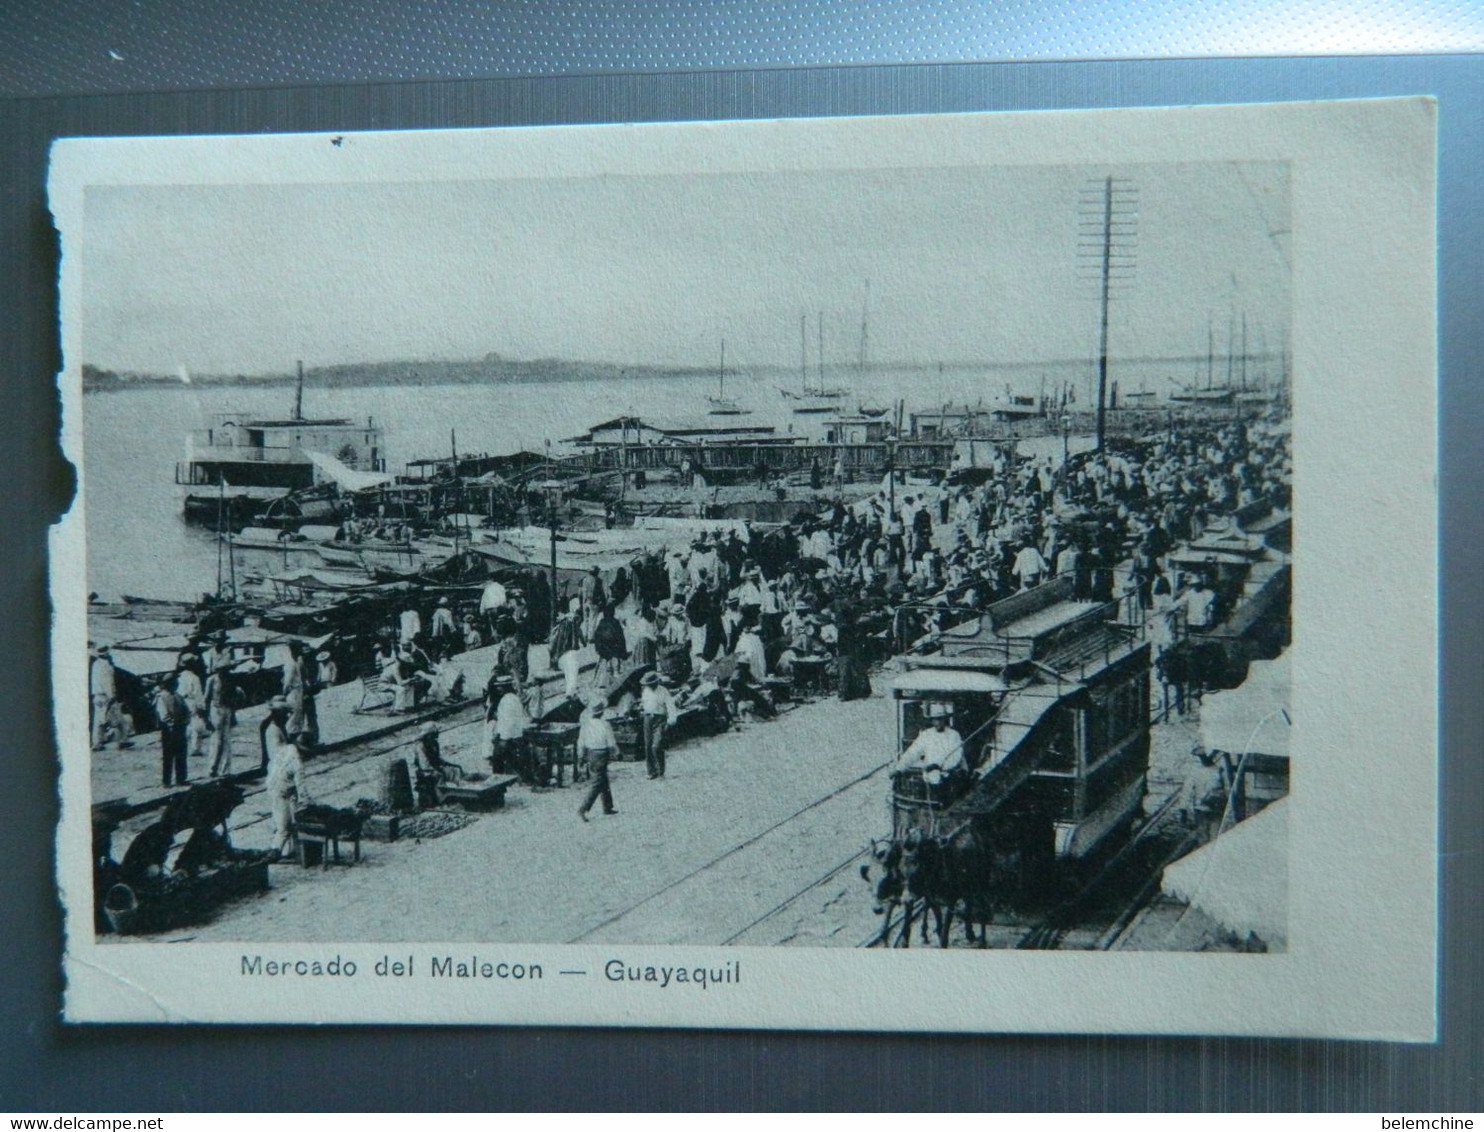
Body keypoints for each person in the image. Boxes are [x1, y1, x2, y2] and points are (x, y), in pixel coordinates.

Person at [263, 697, 307, 860]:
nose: (288, 717)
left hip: (281, 780)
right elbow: (280, 756)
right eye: (285, 714)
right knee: (283, 825)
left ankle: (289, 850)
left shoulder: (279, 728)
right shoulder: (273, 732)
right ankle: (274, 852)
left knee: (289, 821)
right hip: (279, 781)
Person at [895, 703, 965, 786]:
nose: (938, 722)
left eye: (940, 719)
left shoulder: (954, 735)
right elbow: (913, 752)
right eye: (935, 719)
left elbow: (956, 756)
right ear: (932, 720)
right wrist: (899, 769)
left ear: (944, 719)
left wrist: (941, 767)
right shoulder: (926, 734)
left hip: (948, 774)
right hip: (929, 773)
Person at [577, 703, 619, 821]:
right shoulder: (605, 725)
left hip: (590, 753)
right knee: (597, 783)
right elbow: (611, 742)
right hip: (601, 754)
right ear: (602, 713)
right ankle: (583, 809)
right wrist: (617, 752)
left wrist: (580, 757)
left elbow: (580, 743)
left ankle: (607, 806)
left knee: (603, 779)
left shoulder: (585, 725)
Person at [151, 675, 189, 787]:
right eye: (174, 682)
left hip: (180, 727)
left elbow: (186, 710)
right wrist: (172, 724)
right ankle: (166, 780)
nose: (176, 684)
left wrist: (185, 721)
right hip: (169, 729)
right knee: (168, 755)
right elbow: (163, 715)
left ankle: (181, 779)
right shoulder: (161, 697)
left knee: (181, 754)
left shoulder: (178, 696)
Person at [639, 671, 677, 779]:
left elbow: (670, 705)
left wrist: (671, 721)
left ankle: (660, 770)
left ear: (656, 682)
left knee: (656, 745)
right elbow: (645, 703)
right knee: (648, 746)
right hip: (647, 718)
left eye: (651, 683)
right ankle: (651, 771)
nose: (649, 686)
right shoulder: (645, 691)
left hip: (659, 719)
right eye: (648, 684)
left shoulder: (663, 691)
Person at [205, 662, 237, 777]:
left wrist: (233, 715)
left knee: (227, 741)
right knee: (216, 741)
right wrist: (206, 719)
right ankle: (212, 768)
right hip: (216, 710)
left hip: (227, 710)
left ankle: (225, 770)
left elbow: (232, 699)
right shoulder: (212, 680)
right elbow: (206, 699)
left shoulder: (230, 680)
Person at [89, 644, 117, 750]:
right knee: (114, 718)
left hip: (97, 695)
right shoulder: (106, 666)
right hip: (105, 695)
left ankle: (97, 742)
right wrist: (112, 695)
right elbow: (107, 683)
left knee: (99, 720)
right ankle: (120, 740)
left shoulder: (96, 664)